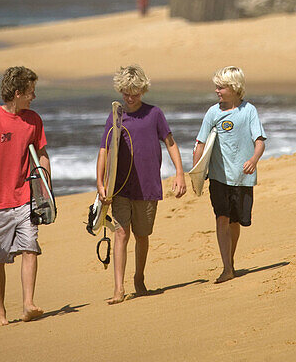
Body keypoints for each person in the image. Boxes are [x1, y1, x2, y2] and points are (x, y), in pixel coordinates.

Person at [0, 65, 50, 327]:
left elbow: (43, 153)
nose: (33, 97)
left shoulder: (34, 119)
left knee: (30, 248)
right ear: (17, 93)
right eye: (30, 92)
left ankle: (28, 304)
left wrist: (45, 182)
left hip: (26, 196)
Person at [96, 64, 186, 304]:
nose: (130, 97)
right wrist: (100, 182)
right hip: (120, 186)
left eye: (134, 92)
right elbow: (104, 149)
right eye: (125, 92)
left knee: (142, 235)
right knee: (121, 233)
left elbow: (170, 142)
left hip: (147, 185)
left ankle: (139, 278)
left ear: (143, 90)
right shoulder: (116, 116)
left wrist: (180, 173)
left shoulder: (154, 113)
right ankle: (118, 288)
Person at [193, 65, 266, 284]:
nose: (217, 91)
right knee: (221, 218)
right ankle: (227, 267)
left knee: (236, 221)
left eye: (221, 87)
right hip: (218, 177)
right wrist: (195, 172)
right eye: (216, 86)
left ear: (234, 88)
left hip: (242, 177)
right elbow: (201, 143)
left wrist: (253, 160)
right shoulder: (212, 112)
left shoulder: (249, 111)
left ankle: (230, 261)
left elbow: (260, 141)